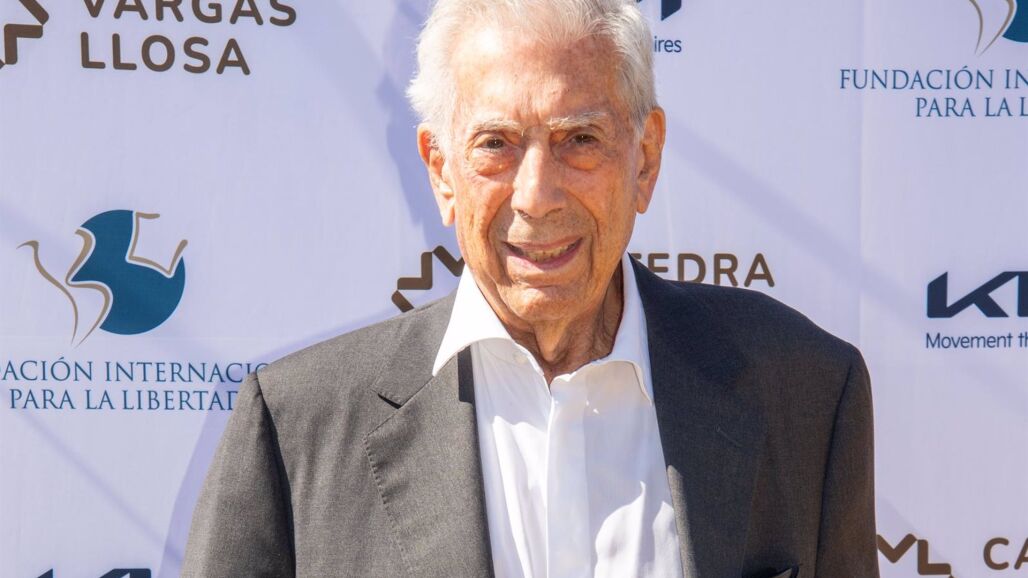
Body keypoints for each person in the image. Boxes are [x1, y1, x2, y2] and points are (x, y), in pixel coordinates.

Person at [181, 0, 879, 576]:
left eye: (580, 139)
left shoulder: (804, 390)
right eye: (496, 144)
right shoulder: (295, 429)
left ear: (645, 160)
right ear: (441, 171)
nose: (537, 195)